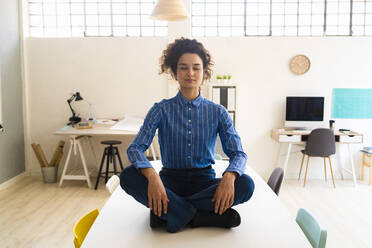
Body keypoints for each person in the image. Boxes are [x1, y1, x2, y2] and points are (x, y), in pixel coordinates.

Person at [120, 37, 255, 233]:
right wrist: (152, 176)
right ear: (174, 72)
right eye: (183, 67)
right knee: (128, 176)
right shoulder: (160, 110)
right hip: (168, 183)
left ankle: (171, 212)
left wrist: (230, 176)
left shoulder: (218, 112)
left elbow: (239, 154)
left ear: (204, 72)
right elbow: (135, 148)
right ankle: (200, 216)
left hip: (205, 182)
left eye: (196, 68)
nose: (190, 73)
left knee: (246, 184)